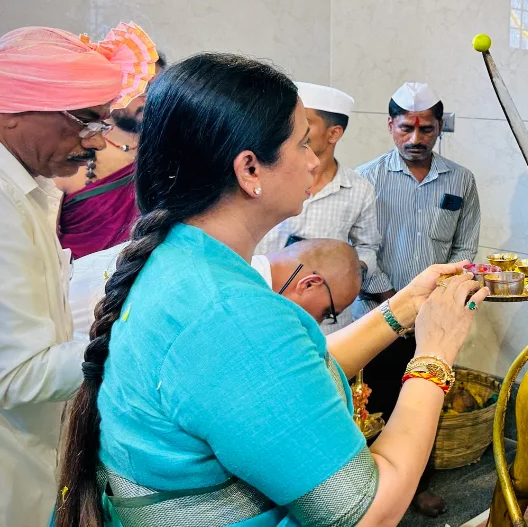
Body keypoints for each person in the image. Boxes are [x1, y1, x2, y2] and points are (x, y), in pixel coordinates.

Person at [52, 53, 489, 527]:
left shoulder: (180, 259)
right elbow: (367, 512)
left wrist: (404, 306)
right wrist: (436, 353)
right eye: (302, 144)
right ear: (250, 170)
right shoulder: (230, 316)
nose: (315, 161)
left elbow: (287, 379)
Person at [0, 23, 155, 527]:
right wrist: (142, 333)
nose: (94, 139)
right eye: (85, 120)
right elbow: (16, 376)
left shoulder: (31, 188)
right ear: (18, 108)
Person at [355, 81, 481, 516]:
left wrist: (437, 304)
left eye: (426, 129)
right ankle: (367, 490)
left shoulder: (460, 180)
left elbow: (465, 250)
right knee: (372, 401)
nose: (415, 139)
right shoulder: (365, 179)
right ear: (390, 126)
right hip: (375, 313)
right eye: (405, 128)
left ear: (438, 128)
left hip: (433, 320)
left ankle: (416, 484)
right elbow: (360, 251)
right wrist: (396, 300)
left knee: (425, 399)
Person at [256, 82, 388, 333]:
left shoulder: (358, 188)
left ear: (334, 133)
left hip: (326, 322)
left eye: (306, 123)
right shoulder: (267, 175)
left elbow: (368, 247)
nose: (293, 131)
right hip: (266, 305)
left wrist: (349, 268)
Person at [70, 237, 362, 341]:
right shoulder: (229, 293)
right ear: (309, 283)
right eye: (328, 312)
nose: (319, 323)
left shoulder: (224, 261)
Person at [53, 47, 163, 259]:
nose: (148, 98)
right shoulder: (71, 154)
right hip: (80, 286)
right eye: (141, 87)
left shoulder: (167, 152)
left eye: (157, 89)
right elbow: (44, 243)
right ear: (110, 92)